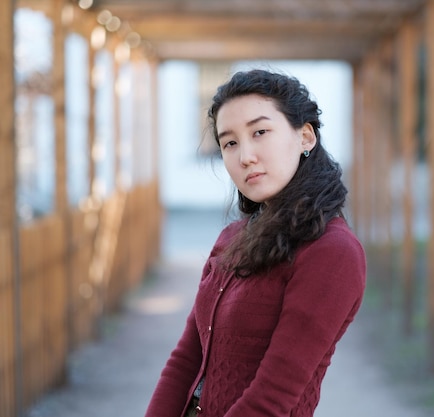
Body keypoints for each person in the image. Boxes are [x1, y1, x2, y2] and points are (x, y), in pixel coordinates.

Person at [145, 69, 367, 417]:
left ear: (306, 137)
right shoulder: (232, 238)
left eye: (260, 132)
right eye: (229, 142)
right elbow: (187, 358)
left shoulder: (331, 251)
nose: (244, 155)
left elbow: (272, 398)